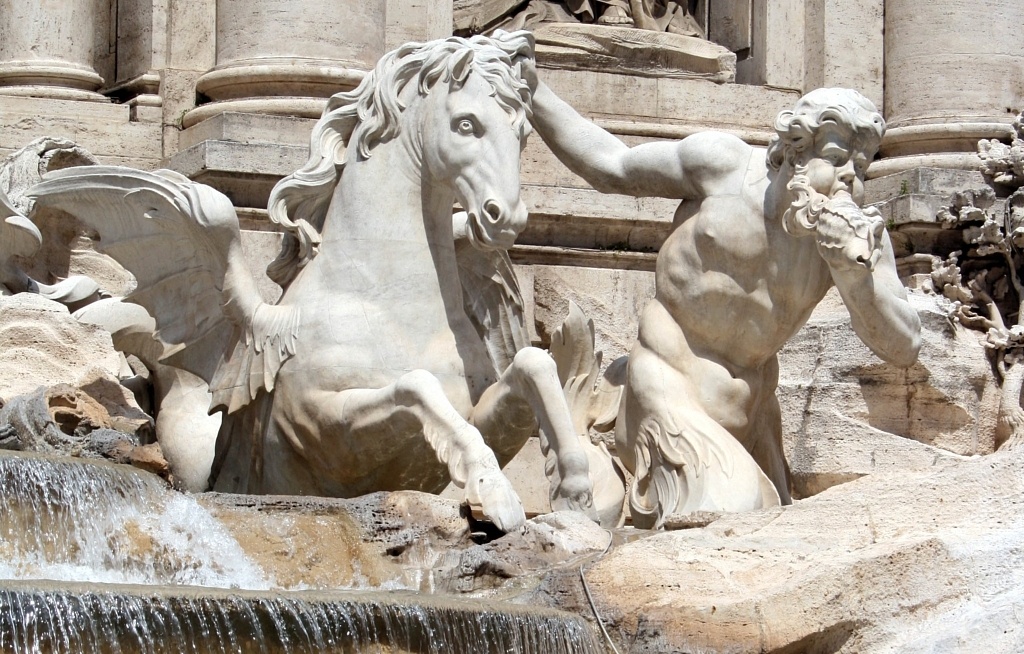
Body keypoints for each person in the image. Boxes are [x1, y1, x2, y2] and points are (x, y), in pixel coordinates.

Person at [526, 75, 923, 528]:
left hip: (751, 414)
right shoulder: (724, 167)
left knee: (769, 534)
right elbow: (610, 165)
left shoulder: (858, 241)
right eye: (836, 159)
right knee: (731, 516)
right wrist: (532, 90)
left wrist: (854, 278)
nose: (850, 177)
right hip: (666, 382)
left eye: (862, 165)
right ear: (794, 150)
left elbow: (904, 345)